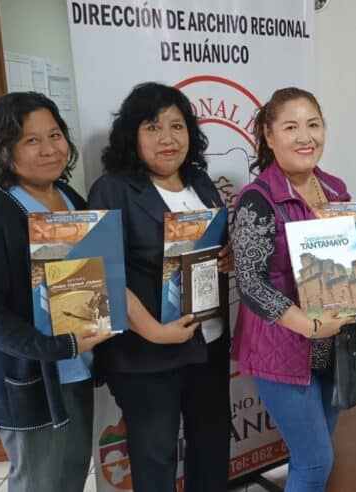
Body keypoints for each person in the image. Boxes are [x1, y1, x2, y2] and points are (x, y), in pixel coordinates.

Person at [0, 92, 114, 491]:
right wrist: (57, 347)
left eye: (56, 135)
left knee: (72, 473)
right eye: (32, 140)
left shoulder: (69, 198)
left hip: (77, 368)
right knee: (39, 482)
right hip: (29, 377)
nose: (50, 150)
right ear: (4, 150)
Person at [87, 82, 233, 492]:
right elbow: (98, 275)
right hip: (146, 352)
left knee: (211, 447)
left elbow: (211, 244)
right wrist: (152, 329)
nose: (168, 138)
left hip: (208, 342)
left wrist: (227, 257)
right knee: (155, 458)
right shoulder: (112, 189)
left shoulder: (200, 182)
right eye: (153, 127)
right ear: (132, 134)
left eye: (177, 125)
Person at [231, 87, 354, 492]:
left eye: (314, 125)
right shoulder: (257, 199)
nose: (306, 137)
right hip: (283, 349)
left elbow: (344, 259)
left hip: (329, 347)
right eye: (291, 127)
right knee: (315, 462)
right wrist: (305, 324)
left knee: (313, 458)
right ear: (269, 135)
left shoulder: (335, 190)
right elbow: (250, 281)